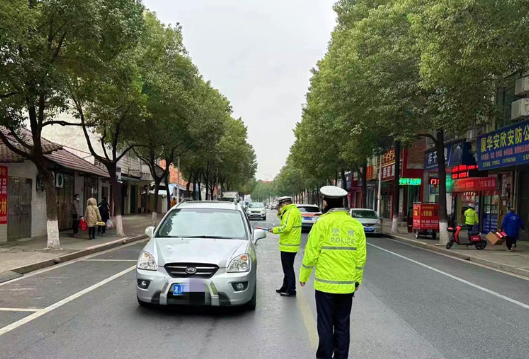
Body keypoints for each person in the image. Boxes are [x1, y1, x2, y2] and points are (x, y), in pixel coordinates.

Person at [300, 186, 367, 359]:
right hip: (346, 287)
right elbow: (361, 257)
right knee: (343, 325)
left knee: (325, 324)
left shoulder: (321, 223)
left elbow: (311, 252)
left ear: (326, 202)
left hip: (325, 286)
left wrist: (303, 276)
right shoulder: (356, 225)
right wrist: (356, 281)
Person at [268, 196, 302, 297]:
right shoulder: (292, 210)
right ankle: (285, 286)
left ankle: (291, 290)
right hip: (291, 244)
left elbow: (286, 228)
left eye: (281, 205)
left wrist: (274, 230)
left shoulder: (290, 212)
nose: (280, 206)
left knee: (288, 269)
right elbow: (285, 220)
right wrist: (279, 213)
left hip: (289, 245)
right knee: (287, 268)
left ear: (286, 203)